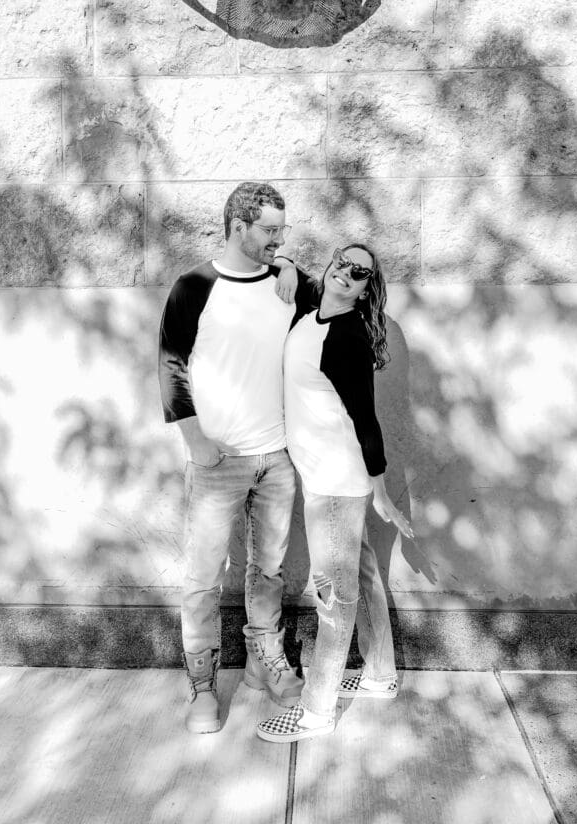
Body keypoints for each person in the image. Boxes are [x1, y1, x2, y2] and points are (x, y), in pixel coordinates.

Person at [159, 181, 315, 734]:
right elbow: (171, 363)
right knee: (203, 577)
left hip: (276, 457)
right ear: (238, 227)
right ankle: (202, 686)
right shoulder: (195, 286)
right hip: (217, 462)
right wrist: (195, 440)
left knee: (268, 569)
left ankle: (261, 663)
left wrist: (292, 263)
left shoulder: (285, 282)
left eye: (282, 231)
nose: (278, 239)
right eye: (270, 231)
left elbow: (335, 306)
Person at [257, 243, 414, 743]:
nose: (347, 275)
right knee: (362, 575)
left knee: (335, 597)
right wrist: (282, 263)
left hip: (336, 484)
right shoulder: (311, 310)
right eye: (341, 265)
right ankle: (380, 674)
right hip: (325, 477)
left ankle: (318, 709)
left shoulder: (346, 337)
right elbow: (296, 274)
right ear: (329, 268)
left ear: (368, 289)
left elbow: (366, 422)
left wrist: (381, 492)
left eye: (360, 273)